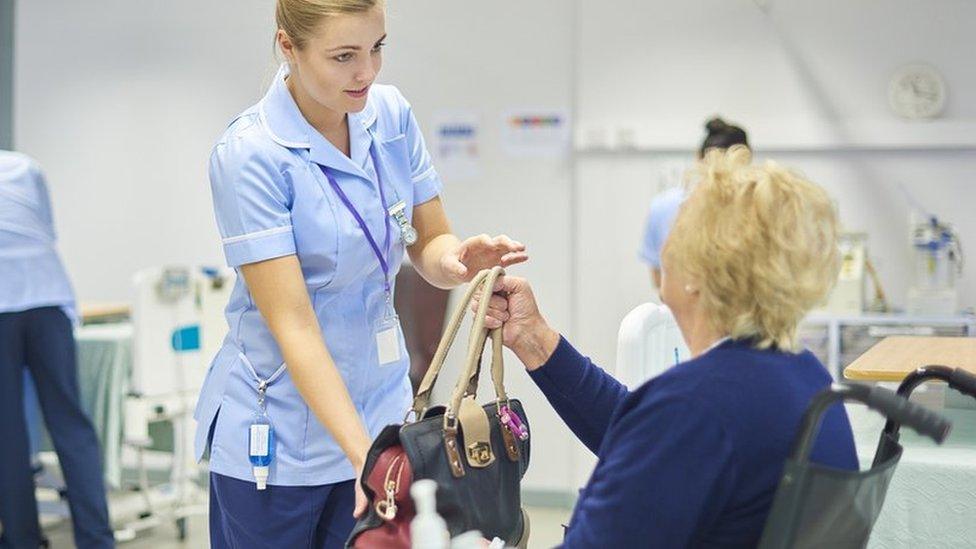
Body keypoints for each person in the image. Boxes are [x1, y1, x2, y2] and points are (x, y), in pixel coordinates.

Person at [195, 1, 527, 547]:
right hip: (281, 435)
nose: (366, 73)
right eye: (344, 56)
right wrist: (366, 458)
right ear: (288, 47)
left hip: (380, 410)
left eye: (376, 48)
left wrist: (455, 262)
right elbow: (295, 326)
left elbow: (428, 240)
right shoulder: (249, 154)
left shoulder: (389, 115)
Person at [476, 146, 857, 547]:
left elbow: (666, 435)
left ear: (697, 272)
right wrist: (533, 337)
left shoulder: (695, 408)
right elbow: (646, 437)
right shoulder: (804, 376)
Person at [0, 151, 114, 548]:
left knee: (7, 432)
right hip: (48, 296)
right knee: (70, 422)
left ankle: (21, 539)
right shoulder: (25, 167)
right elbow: (47, 232)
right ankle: (98, 540)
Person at [639, 117, 749, 289]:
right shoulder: (758, 208)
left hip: (680, 310)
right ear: (745, 160)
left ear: (698, 158)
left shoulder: (663, 205)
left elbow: (659, 279)